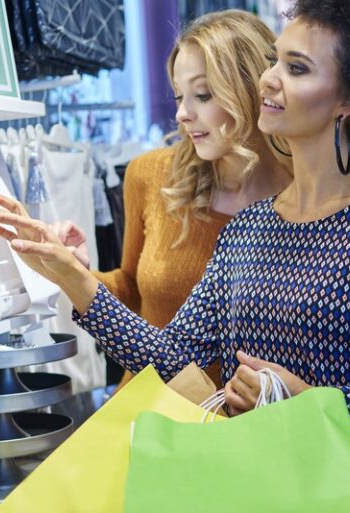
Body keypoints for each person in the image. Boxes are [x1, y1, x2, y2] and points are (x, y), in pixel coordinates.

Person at [0, 1, 350, 510]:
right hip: (267, 494)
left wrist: (316, 406)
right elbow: (175, 358)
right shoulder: (249, 229)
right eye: (275, 60)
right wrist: (72, 277)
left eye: (297, 68)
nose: (269, 79)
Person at [52, 10, 291, 389]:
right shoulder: (150, 176)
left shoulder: (305, 198)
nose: (182, 114)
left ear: (251, 90)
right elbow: (132, 288)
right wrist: (75, 272)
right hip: (149, 407)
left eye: (203, 95)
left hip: (249, 418)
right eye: (180, 96)